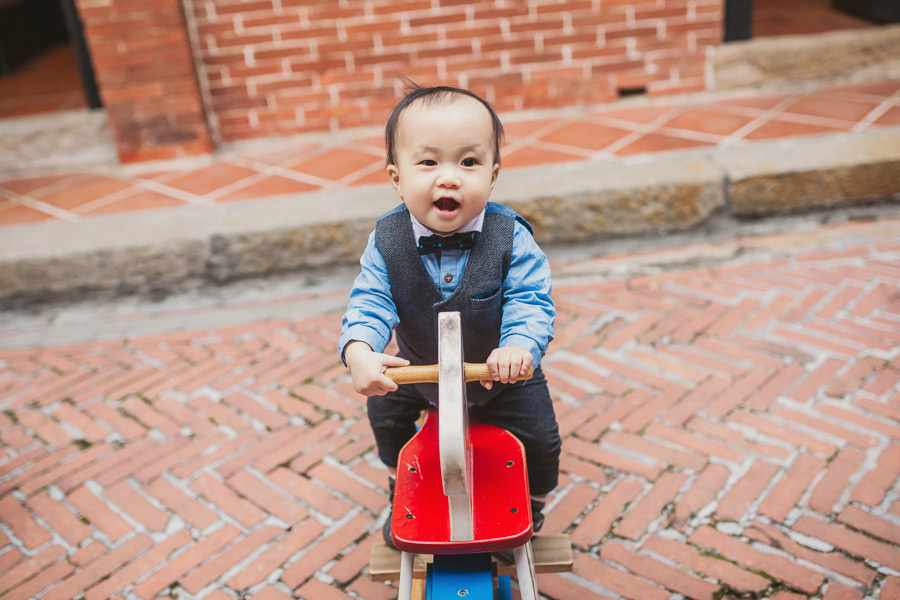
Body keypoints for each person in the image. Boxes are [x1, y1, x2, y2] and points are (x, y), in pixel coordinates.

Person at [338, 83, 561, 555]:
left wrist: (519, 346)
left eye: (468, 162)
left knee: (542, 439)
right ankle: (402, 484)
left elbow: (530, 299)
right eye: (428, 163)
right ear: (396, 179)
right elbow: (371, 300)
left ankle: (533, 502)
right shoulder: (387, 240)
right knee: (384, 413)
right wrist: (360, 350)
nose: (449, 178)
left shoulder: (510, 236)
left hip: (501, 374)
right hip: (420, 371)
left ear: (494, 174)